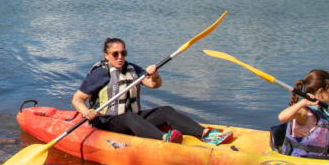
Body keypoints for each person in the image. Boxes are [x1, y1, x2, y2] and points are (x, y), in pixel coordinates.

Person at [72, 37, 231, 145]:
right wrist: (86, 112)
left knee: (166, 111)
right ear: (107, 56)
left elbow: (154, 85)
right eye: (115, 54)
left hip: (131, 118)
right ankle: (163, 139)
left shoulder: (132, 68)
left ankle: (206, 135)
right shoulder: (100, 73)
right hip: (106, 121)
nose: (120, 57)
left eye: (123, 53)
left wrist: (154, 75)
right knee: (129, 117)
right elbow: (77, 99)